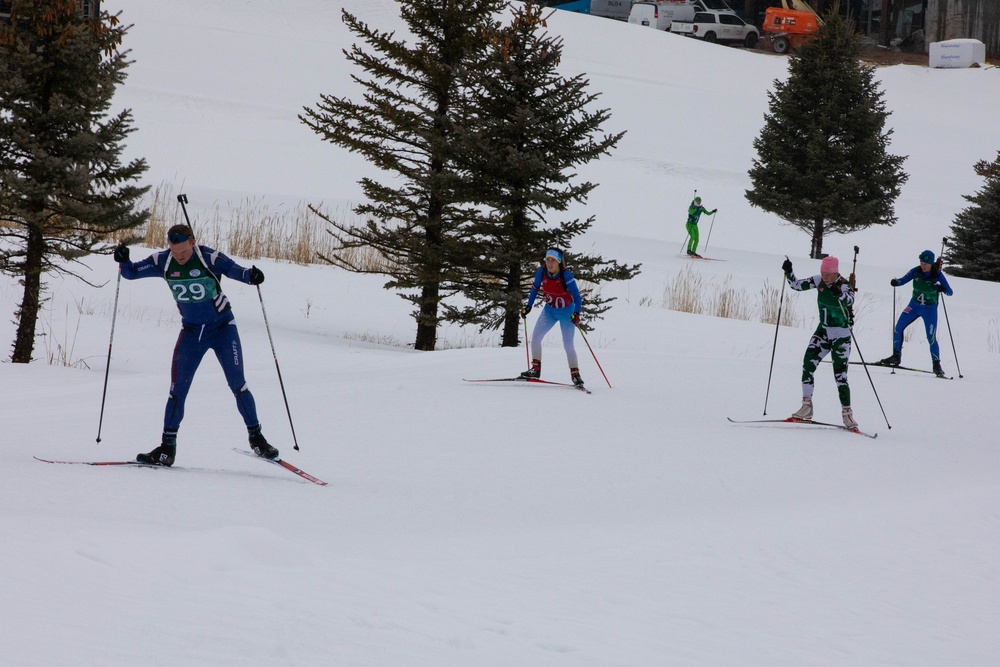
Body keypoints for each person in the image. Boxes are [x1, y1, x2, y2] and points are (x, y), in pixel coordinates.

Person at [113, 224, 277, 466]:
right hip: (191, 332)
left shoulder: (208, 257)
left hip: (222, 329)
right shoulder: (162, 260)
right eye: (174, 251)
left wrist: (250, 276)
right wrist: (123, 261)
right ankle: (167, 448)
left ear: (192, 242)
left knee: (238, 384)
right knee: (177, 390)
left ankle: (257, 438)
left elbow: (234, 270)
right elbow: (131, 273)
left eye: (183, 252)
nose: (179, 256)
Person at [782, 255, 859, 429]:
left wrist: (840, 294)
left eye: (828, 274)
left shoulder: (844, 285)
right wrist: (789, 272)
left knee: (840, 376)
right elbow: (796, 285)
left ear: (836, 273)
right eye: (823, 273)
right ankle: (806, 407)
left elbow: (850, 300)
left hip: (841, 336)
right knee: (807, 364)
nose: (824, 277)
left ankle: (847, 415)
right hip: (823, 331)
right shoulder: (818, 281)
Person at [878, 250, 954, 378]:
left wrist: (942, 288)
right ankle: (896, 356)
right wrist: (896, 282)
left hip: (929, 309)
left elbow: (950, 292)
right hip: (914, 306)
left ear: (931, 264)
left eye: (925, 264)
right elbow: (904, 279)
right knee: (898, 328)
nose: (923, 266)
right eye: (921, 263)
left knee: (931, 337)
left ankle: (936, 364)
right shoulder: (916, 271)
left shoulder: (937, 275)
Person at [519, 248, 585, 387]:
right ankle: (535, 370)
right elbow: (535, 289)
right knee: (536, 338)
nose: (549, 263)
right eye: (547, 260)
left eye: (553, 260)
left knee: (568, 344)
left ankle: (575, 375)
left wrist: (577, 313)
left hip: (567, 312)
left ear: (559, 262)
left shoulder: (566, 275)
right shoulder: (541, 272)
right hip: (549, 311)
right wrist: (528, 306)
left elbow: (578, 297)